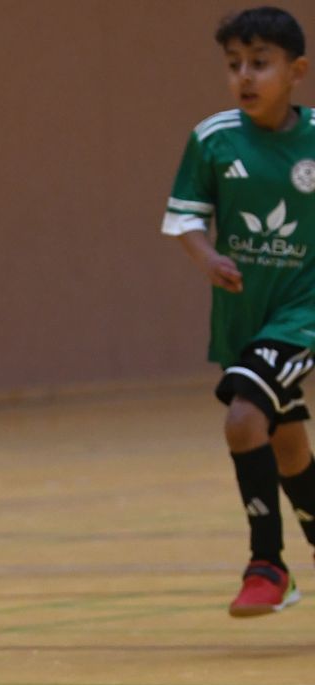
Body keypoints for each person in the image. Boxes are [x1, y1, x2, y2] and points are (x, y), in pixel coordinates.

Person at [164, 7, 315, 617]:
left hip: (304, 311)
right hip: (243, 316)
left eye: (259, 63)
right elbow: (185, 218)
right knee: (287, 445)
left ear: (296, 71)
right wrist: (206, 257)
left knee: (243, 418)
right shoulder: (213, 139)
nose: (244, 77)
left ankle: (267, 564)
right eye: (234, 65)